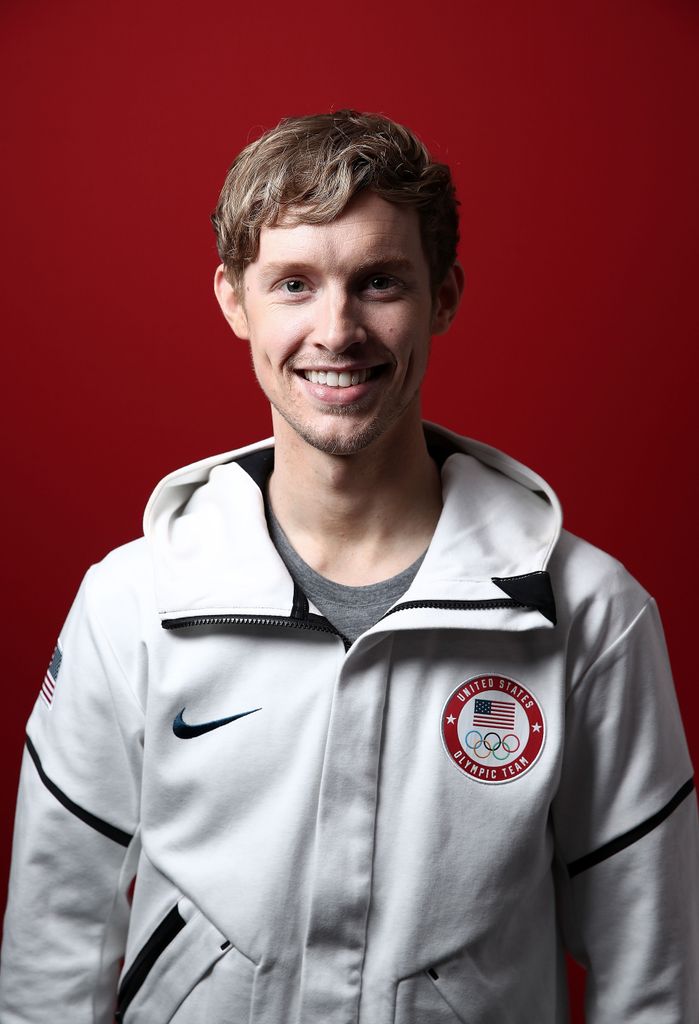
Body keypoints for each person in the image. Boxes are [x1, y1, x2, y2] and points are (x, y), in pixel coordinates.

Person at [1, 110, 697, 1024]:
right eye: (293, 283)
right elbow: (53, 944)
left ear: (442, 295)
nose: (337, 330)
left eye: (379, 283)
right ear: (232, 299)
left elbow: (649, 975)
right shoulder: (135, 599)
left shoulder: (588, 614)